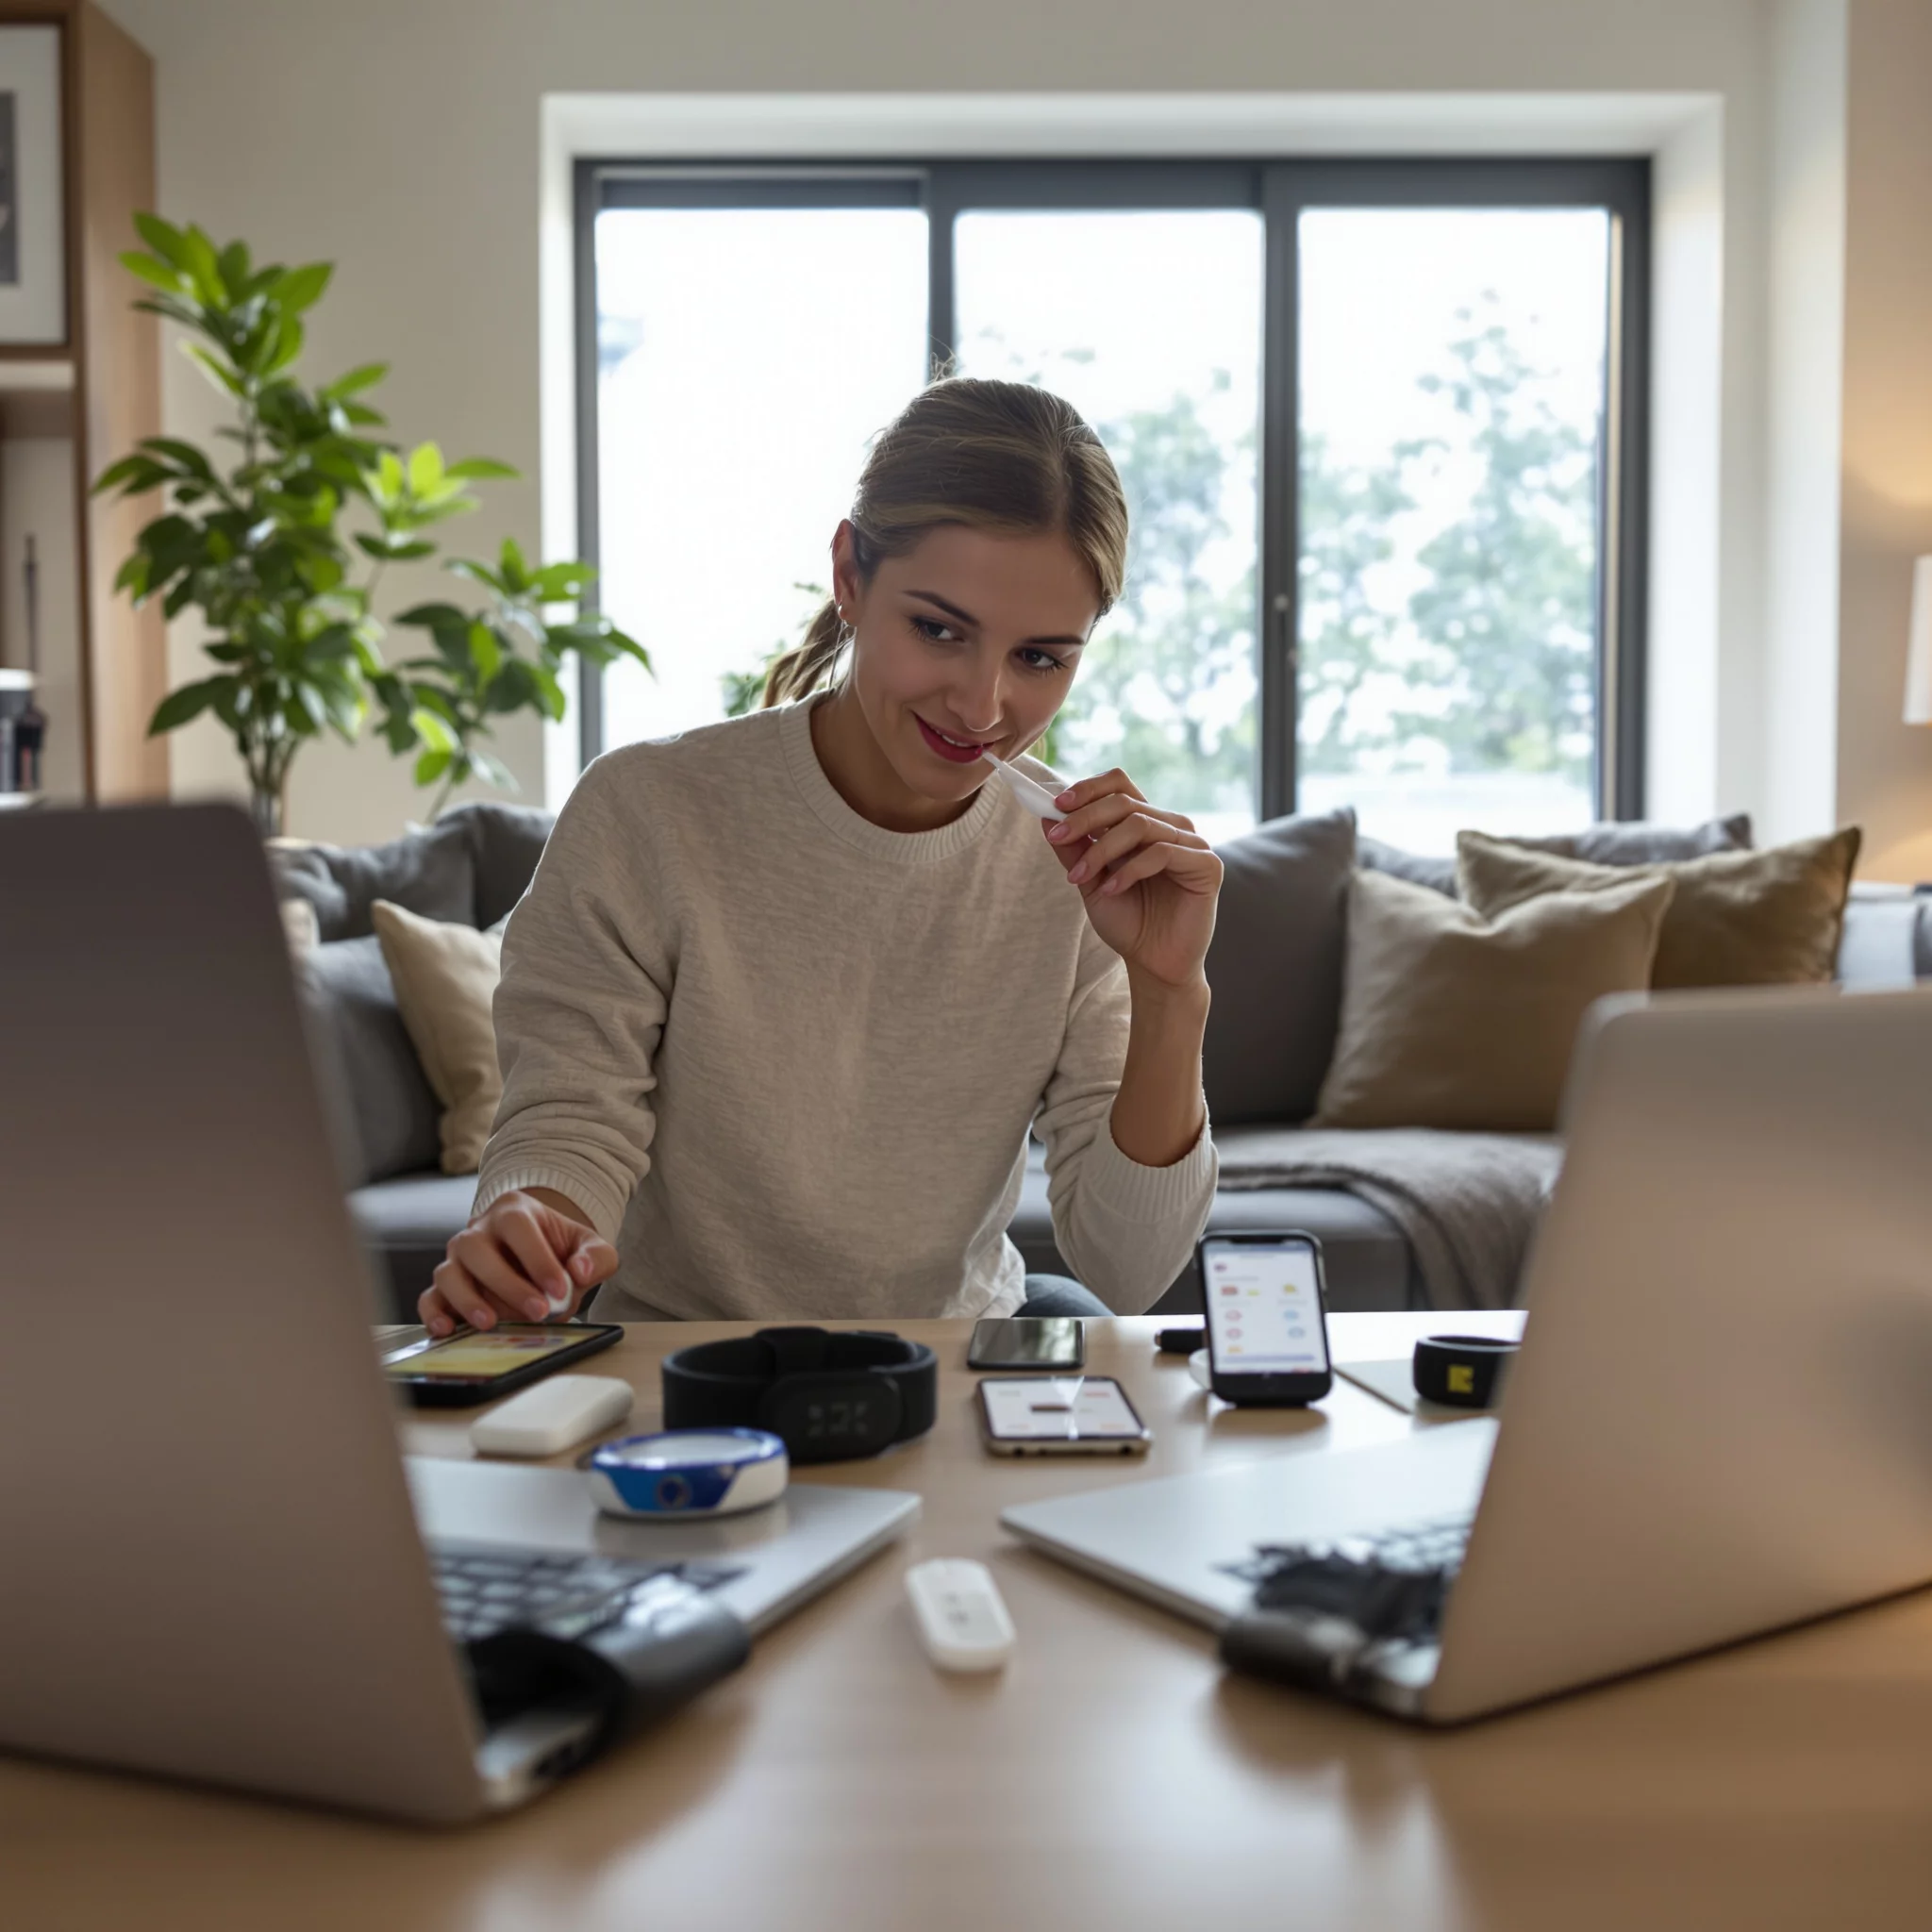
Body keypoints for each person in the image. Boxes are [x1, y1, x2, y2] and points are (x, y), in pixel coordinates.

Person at [420, 377, 1222, 1336]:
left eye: (1040, 658)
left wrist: (1170, 989)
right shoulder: (646, 811)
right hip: (692, 1353)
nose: (982, 706)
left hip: (955, 1351)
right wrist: (534, 1236)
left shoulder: (1078, 868)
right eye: (938, 630)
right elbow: (570, 1122)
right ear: (849, 574)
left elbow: (1130, 1270)